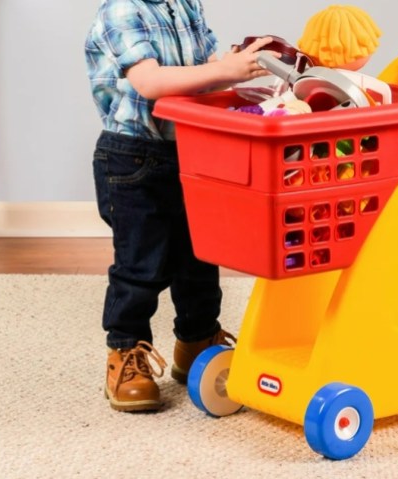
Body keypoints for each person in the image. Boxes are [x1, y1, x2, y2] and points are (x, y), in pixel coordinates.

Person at [85, 0, 274, 412]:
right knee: (140, 265)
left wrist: (244, 68)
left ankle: (197, 340)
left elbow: (205, 72)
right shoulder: (122, 10)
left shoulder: (185, 5)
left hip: (193, 148)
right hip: (132, 156)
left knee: (200, 256)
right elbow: (149, 81)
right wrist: (225, 70)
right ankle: (126, 352)